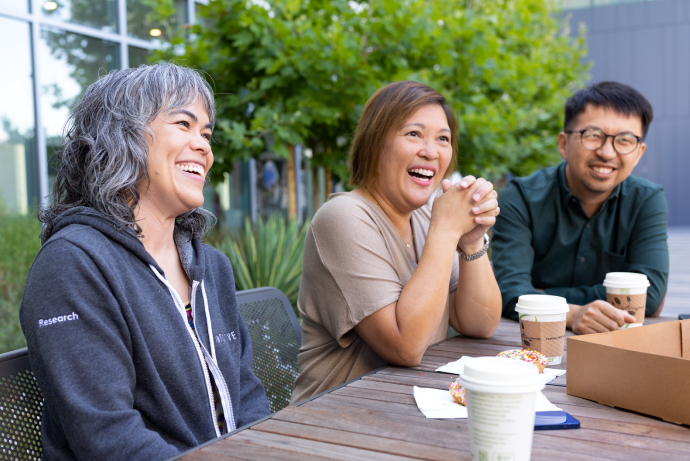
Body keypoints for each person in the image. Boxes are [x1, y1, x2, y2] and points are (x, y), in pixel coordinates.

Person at [19, 63, 270, 460]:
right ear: (123, 137)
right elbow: (108, 437)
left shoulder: (212, 267)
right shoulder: (74, 265)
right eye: (184, 124)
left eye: (206, 133)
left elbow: (247, 393)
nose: (205, 146)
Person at [291, 81, 502, 403]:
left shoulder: (424, 221)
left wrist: (471, 242)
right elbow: (405, 346)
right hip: (335, 422)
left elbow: (480, 323)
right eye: (414, 134)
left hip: (409, 408)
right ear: (375, 143)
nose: (431, 151)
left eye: (443, 139)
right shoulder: (343, 216)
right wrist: (446, 231)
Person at [492, 81, 669, 335]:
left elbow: (649, 295)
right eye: (593, 135)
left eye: (624, 140)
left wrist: (539, 296)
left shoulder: (647, 200)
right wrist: (572, 313)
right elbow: (509, 291)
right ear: (563, 144)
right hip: (527, 343)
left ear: (639, 153)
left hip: (615, 344)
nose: (607, 153)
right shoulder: (519, 197)